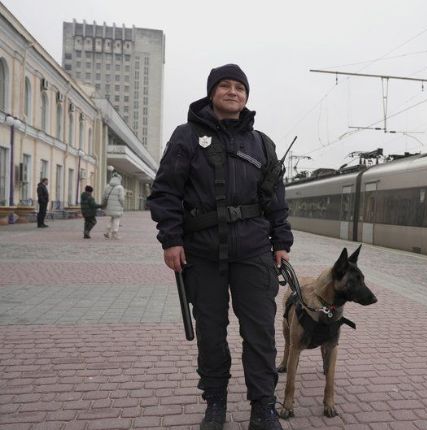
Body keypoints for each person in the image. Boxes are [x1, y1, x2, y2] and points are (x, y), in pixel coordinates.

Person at [148, 64, 293, 430]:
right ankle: (215, 403)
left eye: (239, 87)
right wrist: (171, 240)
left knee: (259, 332)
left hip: (253, 252)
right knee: (211, 333)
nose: (233, 92)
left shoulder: (262, 143)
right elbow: (165, 191)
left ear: (246, 96)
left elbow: (276, 198)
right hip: (202, 252)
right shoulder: (186, 136)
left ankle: (263, 407)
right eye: (225, 86)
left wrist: (282, 243)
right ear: (212, 93)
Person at [102, 173, 125, 240]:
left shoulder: (107, 186)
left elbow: (104, 196)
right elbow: (121, 198)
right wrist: (123, 205)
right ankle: (114, 233)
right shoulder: (120, 187)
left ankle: (107, 232)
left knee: (112, 218)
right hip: (117, 207)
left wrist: (103, 204)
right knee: (117, 219)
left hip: (109, 206)